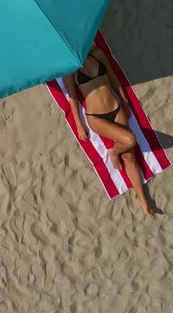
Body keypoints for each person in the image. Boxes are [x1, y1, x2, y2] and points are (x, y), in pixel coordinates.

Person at [63, 44, 153, 216]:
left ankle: (141, 198)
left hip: (116, 108)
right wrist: (79, 124)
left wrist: (125, 101)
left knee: (129, 155)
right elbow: (73, 99)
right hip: (96, 118)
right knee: (130, 140)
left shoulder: (98, 54)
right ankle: (113, 152)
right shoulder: (70, 70)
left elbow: (113, 78)